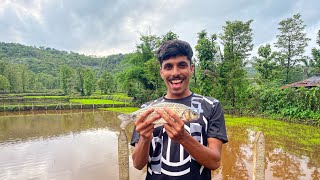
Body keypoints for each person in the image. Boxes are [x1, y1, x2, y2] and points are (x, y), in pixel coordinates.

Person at [130, 39, 228, 180]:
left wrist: (184, 138)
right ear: (161, 72)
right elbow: (138, 164)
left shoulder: (212, 106)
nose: (175, 73)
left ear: (191, 68)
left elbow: (214, 162)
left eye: (182, 65)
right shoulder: (147, 110)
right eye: (168, 67)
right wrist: (145, 139)